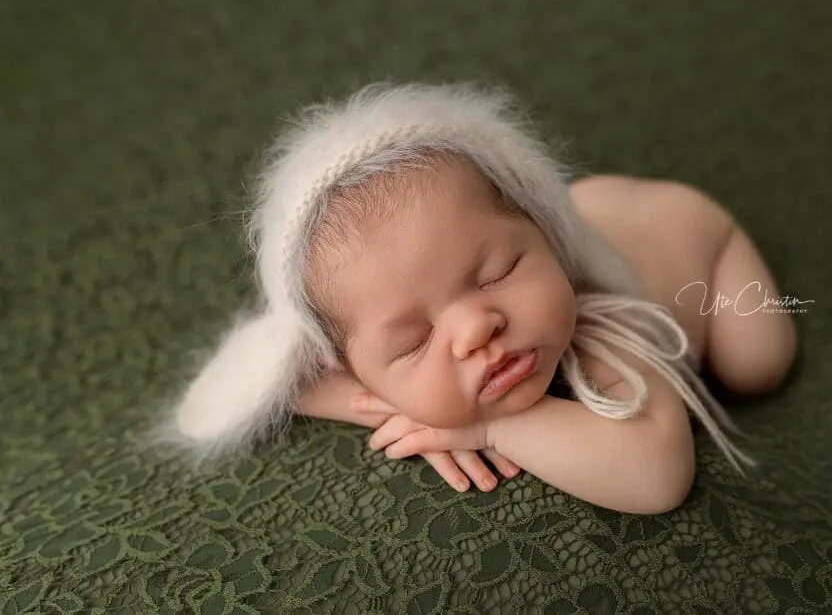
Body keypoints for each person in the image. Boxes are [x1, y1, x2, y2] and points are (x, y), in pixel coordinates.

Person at [171, 83, 797, 515]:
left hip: (693, 242)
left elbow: (657, 476)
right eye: (413, 342)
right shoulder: (363, 330)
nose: (475, 328)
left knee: (756, 365)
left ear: (548, 238)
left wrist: (490, 423)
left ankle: (699, 229)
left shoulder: (604, 325)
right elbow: (277, 385)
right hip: (593, 212)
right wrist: (403, 404)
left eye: (497, 272)